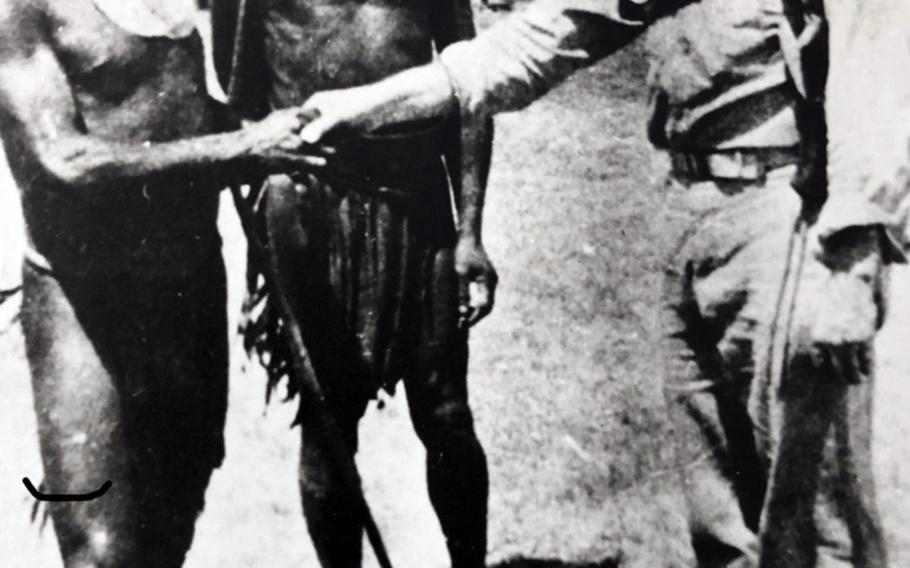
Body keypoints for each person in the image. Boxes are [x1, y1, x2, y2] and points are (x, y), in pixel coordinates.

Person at [294, 1, 910, 566]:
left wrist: (854, 263)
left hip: (785, 219)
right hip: (688, 215)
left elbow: (875, 66)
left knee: (818, 528)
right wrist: (364, 105)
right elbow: (548, 35)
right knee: (719, 523)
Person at [0, 0, 318, 565]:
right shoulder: (23, 11)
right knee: (100, 551)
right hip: (84, 295)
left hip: (185, 281)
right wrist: (241, 147)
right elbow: (64, 160)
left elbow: (178, 111)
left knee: (173, 514)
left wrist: (269, 137)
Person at [210, 0, 496, 566]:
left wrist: (470, 233)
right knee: (328, 423)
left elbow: (472, 88)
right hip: (311, 205)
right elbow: (242, 102)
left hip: (417, 197)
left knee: (446, 412)